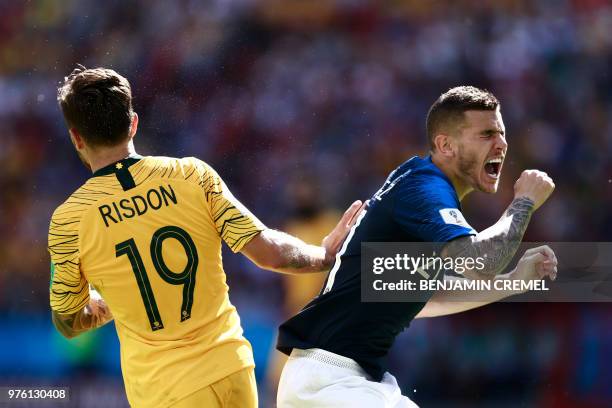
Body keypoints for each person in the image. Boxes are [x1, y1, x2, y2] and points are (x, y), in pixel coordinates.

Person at [48, 66, 363, 408]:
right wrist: (323, 256)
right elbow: (269, 252)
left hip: (166, 389)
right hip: (233, 370)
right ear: (133, 123)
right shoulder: (192, 175)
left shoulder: (71, 220)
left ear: (76, 137)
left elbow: (68, 320)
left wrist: (115, 302)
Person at [276, 86, 558, 407]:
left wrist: (513, 282)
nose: (502, 143)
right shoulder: (426, 190)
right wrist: (524, 202)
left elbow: (420, 294)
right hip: (329, 382)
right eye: (486, 134)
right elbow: (479, 262)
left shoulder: (417, 185)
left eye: (502, 133)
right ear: (445, 145)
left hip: (344, 381)